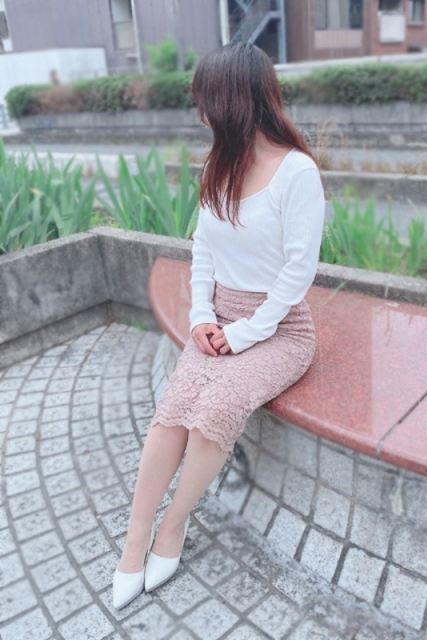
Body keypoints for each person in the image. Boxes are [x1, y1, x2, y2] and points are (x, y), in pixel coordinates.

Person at [112, 41, 325, 610]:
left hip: (279, 328)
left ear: (233, 101)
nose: (199, 111)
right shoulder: (218, 165)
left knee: (216, 411)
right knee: (172, 411)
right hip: (219, 317)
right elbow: (203, 249)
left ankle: (173, 525)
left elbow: (298, 273)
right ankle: (134, 538)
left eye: (204, 99)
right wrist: (202, 317)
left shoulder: (296, 172)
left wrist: (244, 332)